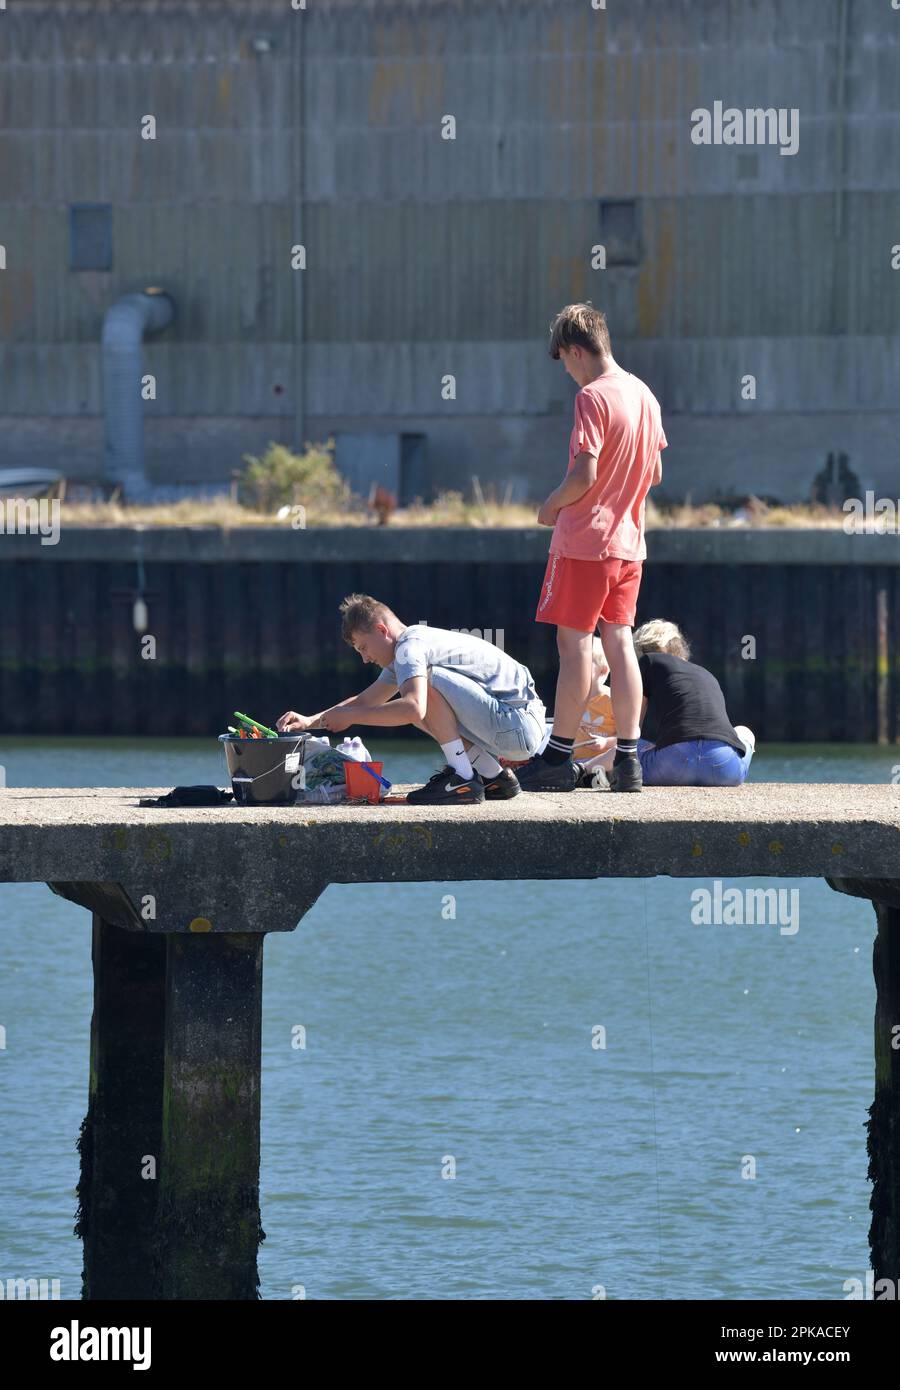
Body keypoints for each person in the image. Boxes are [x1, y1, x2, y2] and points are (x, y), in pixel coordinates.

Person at [516, 302, 666, 794]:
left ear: (576, 350)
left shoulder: (593, 398)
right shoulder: (645, 395)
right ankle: (629, 761)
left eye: (564, 361)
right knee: (620, 644)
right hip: (629, 544)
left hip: (585, 543)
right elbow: (656, 474)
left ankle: (558, 755)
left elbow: (585, 473)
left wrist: (551, 506)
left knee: (575, 646)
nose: (567, 372)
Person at [276, 594, 547, 806]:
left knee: (418, 695)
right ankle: (495, 777)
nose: (365, 658)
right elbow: (366, 700)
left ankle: (463, 779)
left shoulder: (410, 647)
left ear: (382, 630)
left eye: (363, 647)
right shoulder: (409, 650)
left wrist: (353, 717)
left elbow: (414, 708)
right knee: (416, 698)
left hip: (517, 724)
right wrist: (311, 720)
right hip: (515, 725)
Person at [630, 619, 756, 786]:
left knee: (628, 746)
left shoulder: (647, 662)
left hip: (672, 766)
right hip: (724, 768)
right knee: (745, 731)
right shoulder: (706, 673)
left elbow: (633, 728)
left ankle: (588, 768)